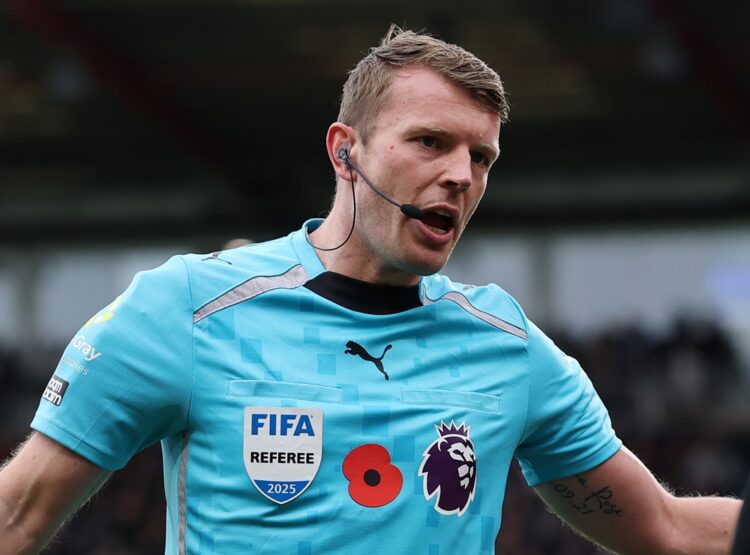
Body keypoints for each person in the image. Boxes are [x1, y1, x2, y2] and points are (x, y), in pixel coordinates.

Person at [0, 25, 741, 555]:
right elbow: (18, 517)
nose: (461, 174)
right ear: (345, 152)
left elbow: (666, 529)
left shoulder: (508, 347)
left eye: (481, 156)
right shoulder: (188, 307)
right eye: (430, 141)